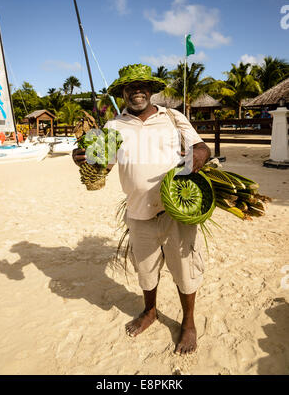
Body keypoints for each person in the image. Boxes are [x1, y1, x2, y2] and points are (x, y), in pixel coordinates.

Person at [73, 64, 211, 355]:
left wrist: (198, 155)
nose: (136, 91)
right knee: (145, 270)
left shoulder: (173, 117)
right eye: (129, 87)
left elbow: (202, 147)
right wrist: (84, 159)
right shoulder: (113, 126)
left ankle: (188, 322)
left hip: (177, 209)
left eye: (142, 86)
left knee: (185, 268)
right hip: (138, 211)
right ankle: (150, 311)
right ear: (122, 93)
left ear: (151, 90)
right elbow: (103, 166)